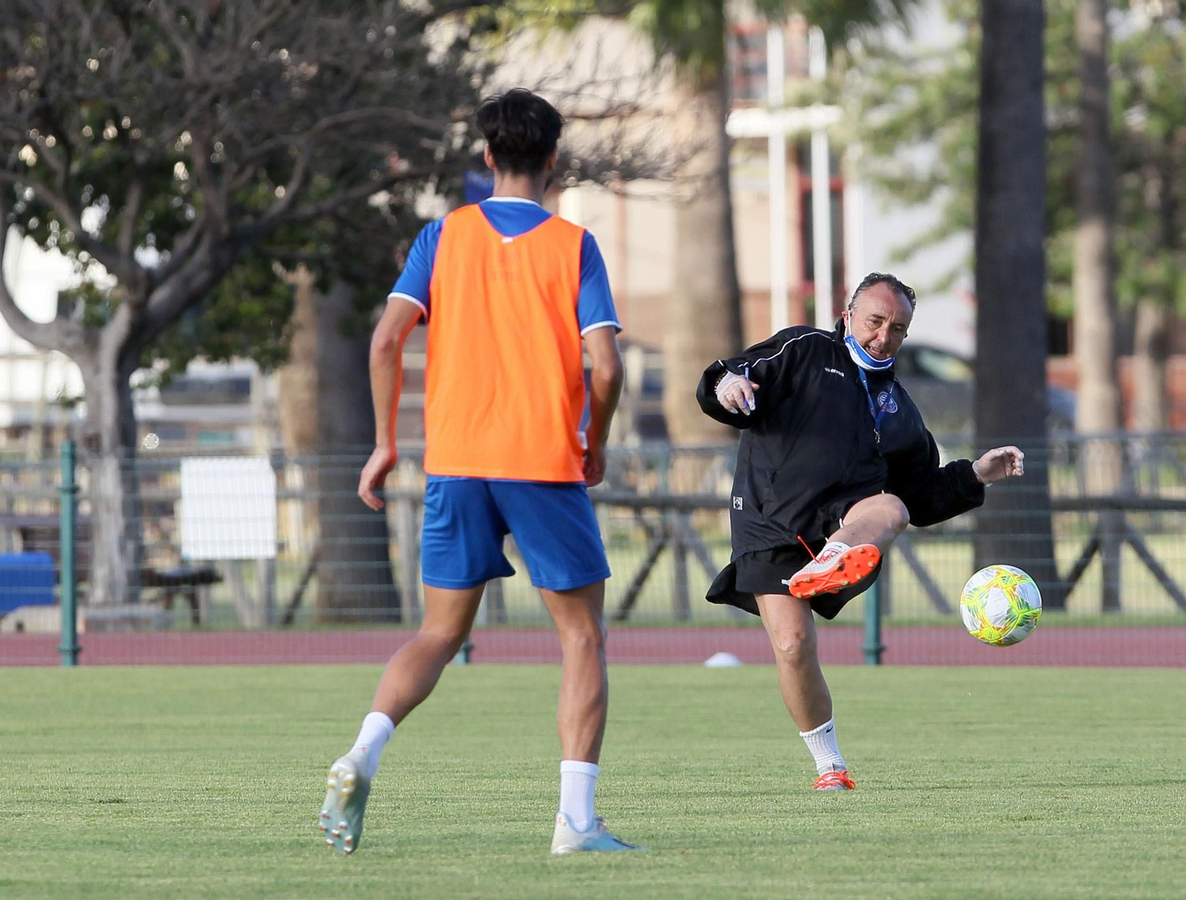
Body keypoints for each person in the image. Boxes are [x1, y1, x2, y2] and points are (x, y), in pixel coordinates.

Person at [320, 88, 640, 856]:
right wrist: (593, 440)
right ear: (554, 159)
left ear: (488, 155)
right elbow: (605, 365)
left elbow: (384, 342)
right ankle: (576, 823)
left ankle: (363, 751)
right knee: (581, 637)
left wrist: (384, 443)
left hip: (455, 463)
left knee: (438, 632)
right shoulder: (573, 245)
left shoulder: (442, 236)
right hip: (541, 463)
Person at [696, 272, 1025, 790]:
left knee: (891, 508)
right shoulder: (804, 349)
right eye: (875, 321)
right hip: (769, 523)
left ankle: (833, 559)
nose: (883, 337)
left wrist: (977, 474)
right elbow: (731, 374)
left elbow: (921, 498)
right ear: (849, 316)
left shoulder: (900, 410)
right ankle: (830, 766)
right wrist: (727, 386)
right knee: (793, 646)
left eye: (897, 329)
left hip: (845, 528)